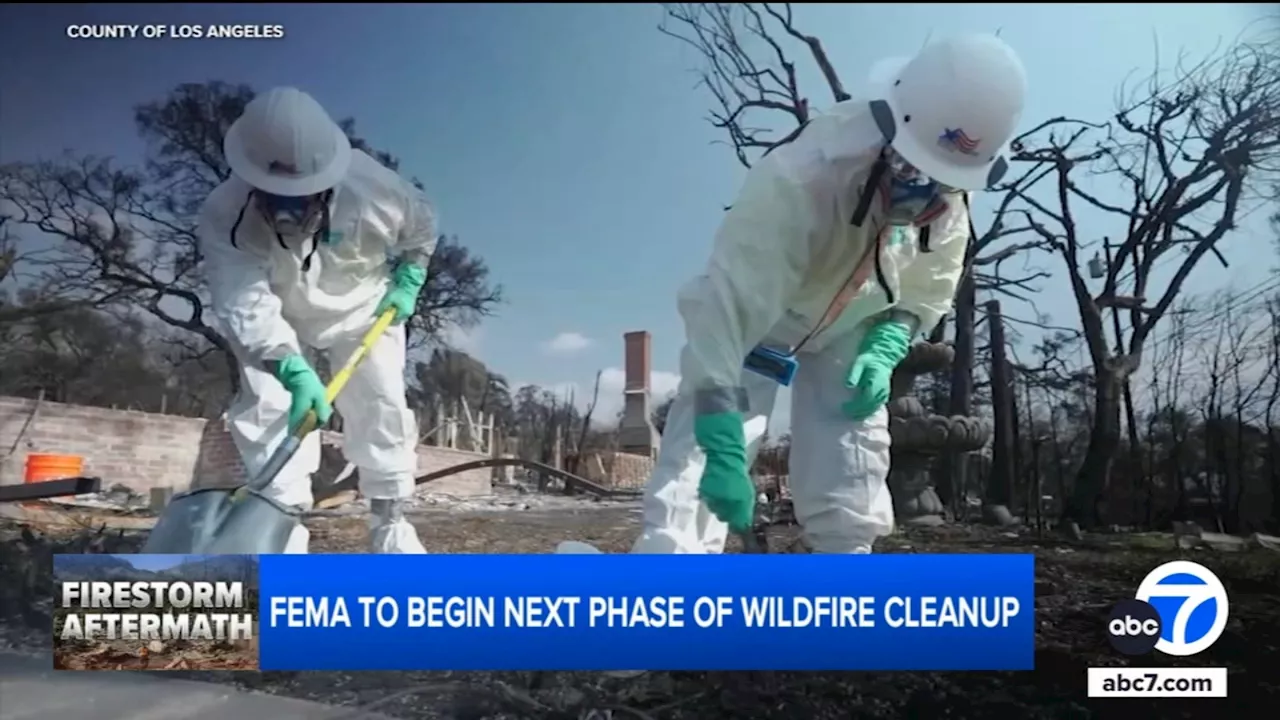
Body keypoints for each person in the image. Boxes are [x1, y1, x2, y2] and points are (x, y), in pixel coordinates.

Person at [562, 33, 1027, 555]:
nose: (921, 189)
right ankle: (668, 575)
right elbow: (728, 310)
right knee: (704, 455)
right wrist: (720, 442)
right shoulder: (802, 175)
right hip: (766, 319)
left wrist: (892, 339)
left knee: (853, 445)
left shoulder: (951, 199)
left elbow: (932, 282)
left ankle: (842, 578)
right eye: (912, 168)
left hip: (853, 327)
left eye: (938, 179)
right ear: (891, 124)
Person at [199, 87, 436, 554]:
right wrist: (288, 365)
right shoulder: (223, 214)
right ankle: (279, 528)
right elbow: (242, 298)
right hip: (279, 314)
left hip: (364, 307)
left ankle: (390, 525)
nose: (292, 205)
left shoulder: (377, 187)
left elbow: (423, 226)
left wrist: (411, 275)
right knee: (270, 409)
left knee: (382, 404)